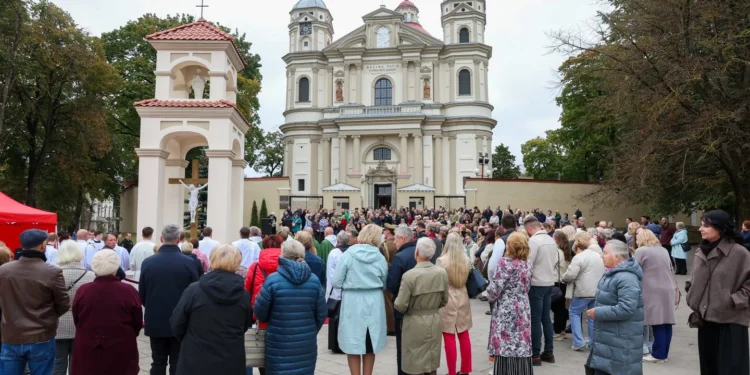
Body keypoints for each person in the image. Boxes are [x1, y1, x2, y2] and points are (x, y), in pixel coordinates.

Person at [171, 245, 252, 375]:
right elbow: (245, 324)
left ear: (212, 260)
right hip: (230, 359)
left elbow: (177, 322)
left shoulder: (194, 290)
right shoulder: (243, 294)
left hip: (196, 357)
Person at [687, 210, 750, 375]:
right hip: (705, 320)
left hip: (731, 321)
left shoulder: (739, 252)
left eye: (706, 225)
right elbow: (694, 278)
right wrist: (691, 291)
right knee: (709, 368)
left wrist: (734, 300)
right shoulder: (701, 250)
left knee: (730, 369)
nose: (701, 229)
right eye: (701, 225)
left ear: (720, 228)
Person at [0, 230, 70, 375]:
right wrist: (47, 318)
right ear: (42, 245)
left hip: (11, 334)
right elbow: (63, 304)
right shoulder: (52, 272)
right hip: (41, 335)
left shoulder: (4, 270)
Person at [253, 240, 327, 375]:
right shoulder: (314, 280)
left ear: (283, 255)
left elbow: (260, 313)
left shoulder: (272, 280)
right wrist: (310, 330)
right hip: (305, 342)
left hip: (278, 341)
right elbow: (321, 313)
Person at [139, 224, 200, 375]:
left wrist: (152, 306)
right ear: (179, 239)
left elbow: (142, 294)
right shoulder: (189, 263)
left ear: (161, 239)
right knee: (177, 361)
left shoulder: (148, 263)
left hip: (156, 317)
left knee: (158, 361)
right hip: (182, 319)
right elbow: (195, 293)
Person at [71, 250, 142, 375]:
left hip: (89, 345)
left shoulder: (83, 290)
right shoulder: (128, 291)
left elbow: (77, 318)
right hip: (121, 346)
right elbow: (137, 321)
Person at [332, 224, 389, 375]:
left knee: (353, 341)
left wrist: (352, 283)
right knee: (370, 342)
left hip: (353, 299)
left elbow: (336, 281)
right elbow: (385, 281)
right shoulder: (379, 256)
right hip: (373, 299)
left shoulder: (349, 254)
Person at [585, 240, 644, 375]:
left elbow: (627, 308)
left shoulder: (626, 278)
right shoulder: (612, 273)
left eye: (605, 253)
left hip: (620, 341)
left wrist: (598, 312)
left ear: (617, 256)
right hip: (610, 339)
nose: (601, 255)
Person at [394, 238, 449, 375]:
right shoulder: (441, 272)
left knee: (414, 362)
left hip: (414, 321)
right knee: (431, 361)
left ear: (416, 252)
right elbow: (444, 300)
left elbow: (400, 304)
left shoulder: (409, 276)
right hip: (434, 318)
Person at [487, 232, 533, 375]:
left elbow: (495, 288)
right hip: (523, 305)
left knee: (506, 341)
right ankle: (521, 371)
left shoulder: (504, 263)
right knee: (521, 340)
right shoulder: (528, 263)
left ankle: (505, 371)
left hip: (507, 306)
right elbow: (527, 286)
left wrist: (488, 294)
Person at [51, 240, 95, 375]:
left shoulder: (53, 274)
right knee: (78, 364)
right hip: (81, 323)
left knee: (58, 363)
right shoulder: (91, 275)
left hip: (58, 323)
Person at [633, 228, 677, 363]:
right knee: (666, 322)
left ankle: (658, 354)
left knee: (656, 321)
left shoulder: (641, 251)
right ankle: (663, 353)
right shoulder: (663, 250)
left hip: (652, 288)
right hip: (668, 287)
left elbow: (634, 269)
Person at [243, 236, 284, 375]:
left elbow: (246, 290)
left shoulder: (255, 267)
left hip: (260, 317)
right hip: (283, 317)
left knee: (262, 354)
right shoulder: (287, 266)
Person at [562, 231, 606, 351]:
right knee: (592, 316)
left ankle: (578, 341)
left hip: (583, 291)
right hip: (597, 290)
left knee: (574, 312)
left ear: (577, 247)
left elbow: (570, 275)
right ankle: (592, 342)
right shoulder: (598, 255)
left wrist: (563, 278)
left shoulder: (579, 257)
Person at [436, 233, 473, 375]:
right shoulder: (466, 260)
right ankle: (465, 369)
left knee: (448, 335)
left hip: (448, 297)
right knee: (464, 334)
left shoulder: (441, 261)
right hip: (463, 296)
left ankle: (451, 372)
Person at [524, 216, 558, 365]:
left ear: (530, 228)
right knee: (546, 318)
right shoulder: (551, 240)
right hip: (549, 281)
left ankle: (535, 354)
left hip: (537, 283)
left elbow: (528, 263)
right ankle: (549, 352)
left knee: (536, 320)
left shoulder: (534, 241)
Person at [387, 225, 418, 375]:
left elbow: (392, 284)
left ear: (403, 238)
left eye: (396, 239)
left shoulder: (400, 257)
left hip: (403, 307)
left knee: (403, 345)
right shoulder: (420, 253)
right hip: (420, 306)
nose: (394, 242)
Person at [325, 231, 351, 354]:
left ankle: (336, 344)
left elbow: (331, 274)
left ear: (338, 241)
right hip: (349, 290)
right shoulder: (352, 252)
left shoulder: (334, 253)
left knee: (336, 318)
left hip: (336, 290)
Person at [551, 231, 572, 341]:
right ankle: (562, 330)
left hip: (556, 280)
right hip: (563, 282)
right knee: (562, 308)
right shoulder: (566, 251)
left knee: (557, 308)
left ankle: (558, 331)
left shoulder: (557, 251)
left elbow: (551, 264)